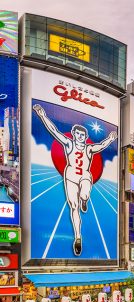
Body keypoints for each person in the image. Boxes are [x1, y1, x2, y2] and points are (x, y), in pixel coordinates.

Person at [32, 104, 118, 256]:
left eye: (82, 135)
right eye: (77, 134)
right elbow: (54, 131)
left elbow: (101, 145)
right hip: (70, 175)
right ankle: (78, 237)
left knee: (84, 194)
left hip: (85, 174)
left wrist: (111, 138)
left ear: (85, 137)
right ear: (74, 134)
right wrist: (42, 115)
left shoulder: (89, 148)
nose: (79, 136)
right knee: (73, 206)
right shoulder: (69, 143)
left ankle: (85, 199)